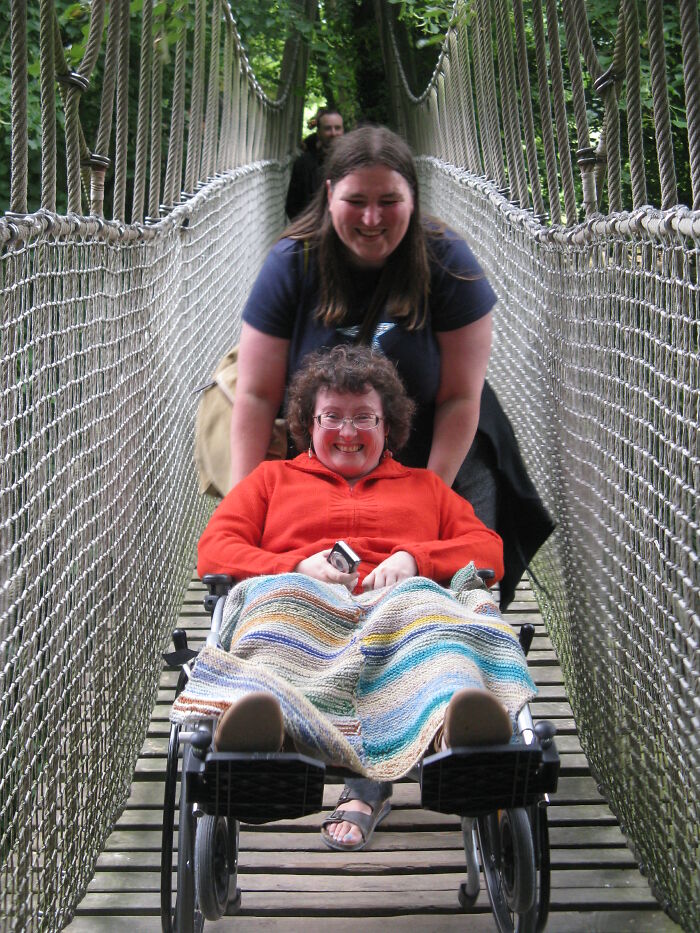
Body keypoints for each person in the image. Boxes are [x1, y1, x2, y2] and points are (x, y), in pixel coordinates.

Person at [182, 346, 536, 852]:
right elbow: (215, 549)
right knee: (276, 604)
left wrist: (414, 560)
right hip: (301, 616)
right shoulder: (270, 480)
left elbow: (488, 549)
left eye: (364, 418)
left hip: (399, 624)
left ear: (387, 426)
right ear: (309, 422)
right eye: (332, 418)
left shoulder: (426, 489)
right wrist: (296, 565)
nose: (348, 432)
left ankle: (458, 728)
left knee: (428, 610)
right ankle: (263, 729)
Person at [232, 124, 554, 610]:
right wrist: (242, 509)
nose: (371, 217)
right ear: (328, 193)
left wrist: (425, 502)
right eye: (356, 199)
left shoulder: (445, 261)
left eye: (389, 201)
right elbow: (256, 396)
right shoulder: (293, 262)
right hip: (327, 459)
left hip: (443, 452)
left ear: (413, 198)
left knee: (458, 597)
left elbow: (461, 397)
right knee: (314, 599)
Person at [285, 107, 344, 219]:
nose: (333, 133)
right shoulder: (303, 164)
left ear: (343, 130)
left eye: (337, 128)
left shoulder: (353, 164)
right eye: (328, 128)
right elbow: (292, 206)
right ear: (319, 132)